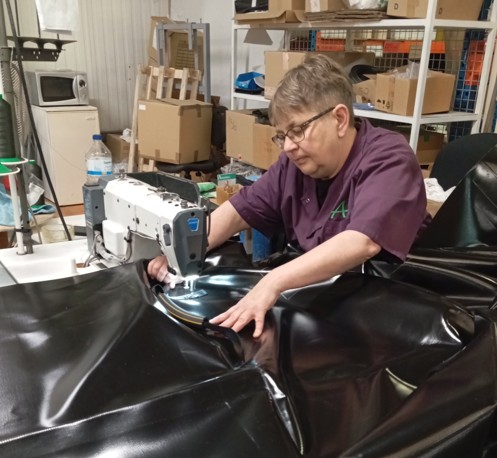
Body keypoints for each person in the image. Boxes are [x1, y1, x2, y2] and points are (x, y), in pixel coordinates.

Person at [147, 54, 431, 339]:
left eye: (297, 131)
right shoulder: (294, 167)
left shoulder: (388, 158)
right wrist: (184, 250)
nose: (288, 147)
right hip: (329, 301)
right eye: (282, 136)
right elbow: (236, 212)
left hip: (394, 313)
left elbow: (362, 242)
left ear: (340, 119)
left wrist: (273, 282)